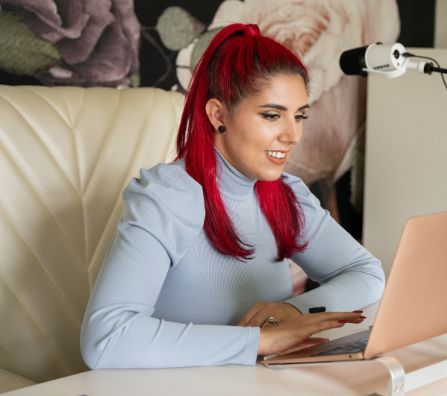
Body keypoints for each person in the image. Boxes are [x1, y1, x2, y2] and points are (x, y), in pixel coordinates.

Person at [80, 23, 385, 369]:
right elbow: (105, 339)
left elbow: (367, 273)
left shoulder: (286, 195)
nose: (292, 135)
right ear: (218, 114)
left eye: (299, 116)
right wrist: (260, 341)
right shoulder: (168, 196)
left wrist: (290, 311)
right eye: (272, 115)